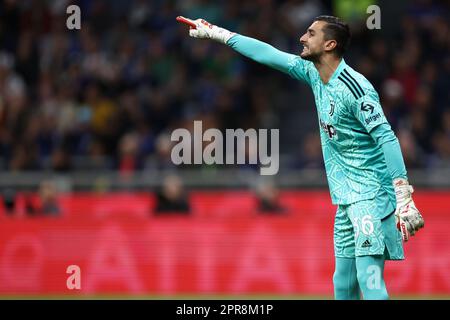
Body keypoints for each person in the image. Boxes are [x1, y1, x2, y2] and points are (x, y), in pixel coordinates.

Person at [177, 15, 425, 300]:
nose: (302, 38)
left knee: (369, 279)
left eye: (311, 33)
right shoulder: (313, 73)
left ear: (330, 44)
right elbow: (269, 55)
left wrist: (403, 196)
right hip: (345, 198)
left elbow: (387, 137)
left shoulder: (356, 88)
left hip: (370, 195)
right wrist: (219, 34)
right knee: (342, 283)